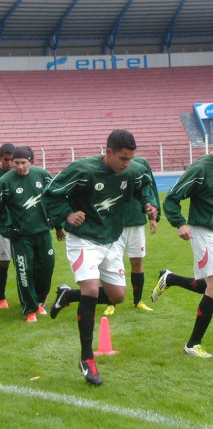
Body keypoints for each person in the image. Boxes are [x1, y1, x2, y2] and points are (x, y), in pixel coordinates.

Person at [44, 129, 158, 386]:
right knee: (92, 289)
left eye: (130, 158)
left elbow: (144, 187)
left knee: (117, 296)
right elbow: (51, 194)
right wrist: (66, 216)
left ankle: (68, 296)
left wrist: (149, 206)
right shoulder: (82, 170)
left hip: (111, 238)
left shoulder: (132, 170)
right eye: (122, 158)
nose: (127, 164)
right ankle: (87, 359)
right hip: (83, 238)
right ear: (107, 152)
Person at [151, 124, 213, 358]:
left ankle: (170, 279)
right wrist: (180, 223)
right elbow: (172, 199)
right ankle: (192, 345)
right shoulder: (201, 168)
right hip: (204, 232)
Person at [0, 146, 56, 323]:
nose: (19, 166)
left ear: (31, 162)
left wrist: (55, 219)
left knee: (46, 268)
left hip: (43, 233)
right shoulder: (5, 181)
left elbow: (55, 196)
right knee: (25, 271)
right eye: (16, 163)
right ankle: (30, 309)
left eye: (23, 163)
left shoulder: (43, 175)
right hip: (21, 237)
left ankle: (39, 301)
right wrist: (7, 229)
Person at [104, 155, 160, 315]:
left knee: (137, 262)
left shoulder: (141, 164)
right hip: (115, 223)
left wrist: (153, 217)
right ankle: (111, 303)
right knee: (112, 264)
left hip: (136, 221)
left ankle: (137, 301)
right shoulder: (109, 166)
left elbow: (150, 190)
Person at [0, 143, 15, 308]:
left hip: (22, 224)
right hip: (3, 225)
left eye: (12, 160)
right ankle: (1, 297)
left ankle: (35, 296)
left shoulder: (20, 174)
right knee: (4, 261)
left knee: (27, 261)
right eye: (6, 160)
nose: (10, 163)